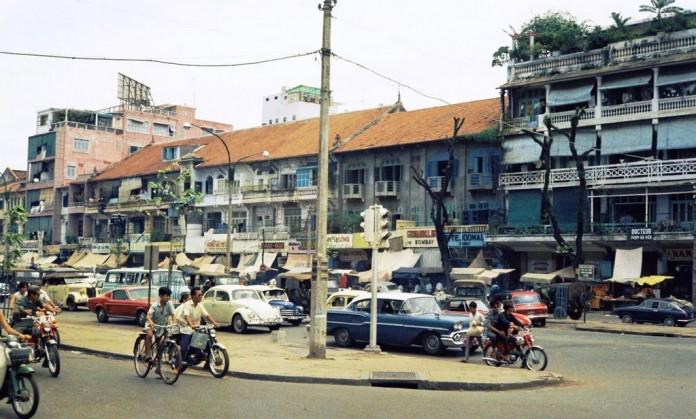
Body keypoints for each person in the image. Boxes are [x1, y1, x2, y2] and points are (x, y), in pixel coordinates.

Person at [175, 287, 220, 363]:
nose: (201, 296)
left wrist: (215, 323)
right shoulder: (187, 305)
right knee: (184, 347)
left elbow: (206, 315)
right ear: (193, 296)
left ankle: (203, 361)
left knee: (206, 342)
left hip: (196, 329)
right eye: (199, 295)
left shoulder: (200, 305)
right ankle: (176, 365)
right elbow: (186, 316)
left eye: (201, 295)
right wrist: (191, 325)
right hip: (185, 329)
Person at [144, 287, 176, 362]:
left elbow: (173, 314)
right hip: (151, 324)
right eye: (167, 296)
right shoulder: (154, 305)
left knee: (160, 342)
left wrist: (175, 322)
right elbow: (148, 316)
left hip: (161, 326)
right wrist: (151, 322)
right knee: (150, 335)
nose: (168, 298)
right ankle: (147, 354)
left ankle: (159, 362)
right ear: (161, 296)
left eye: (169, 296)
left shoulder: (170, 304)